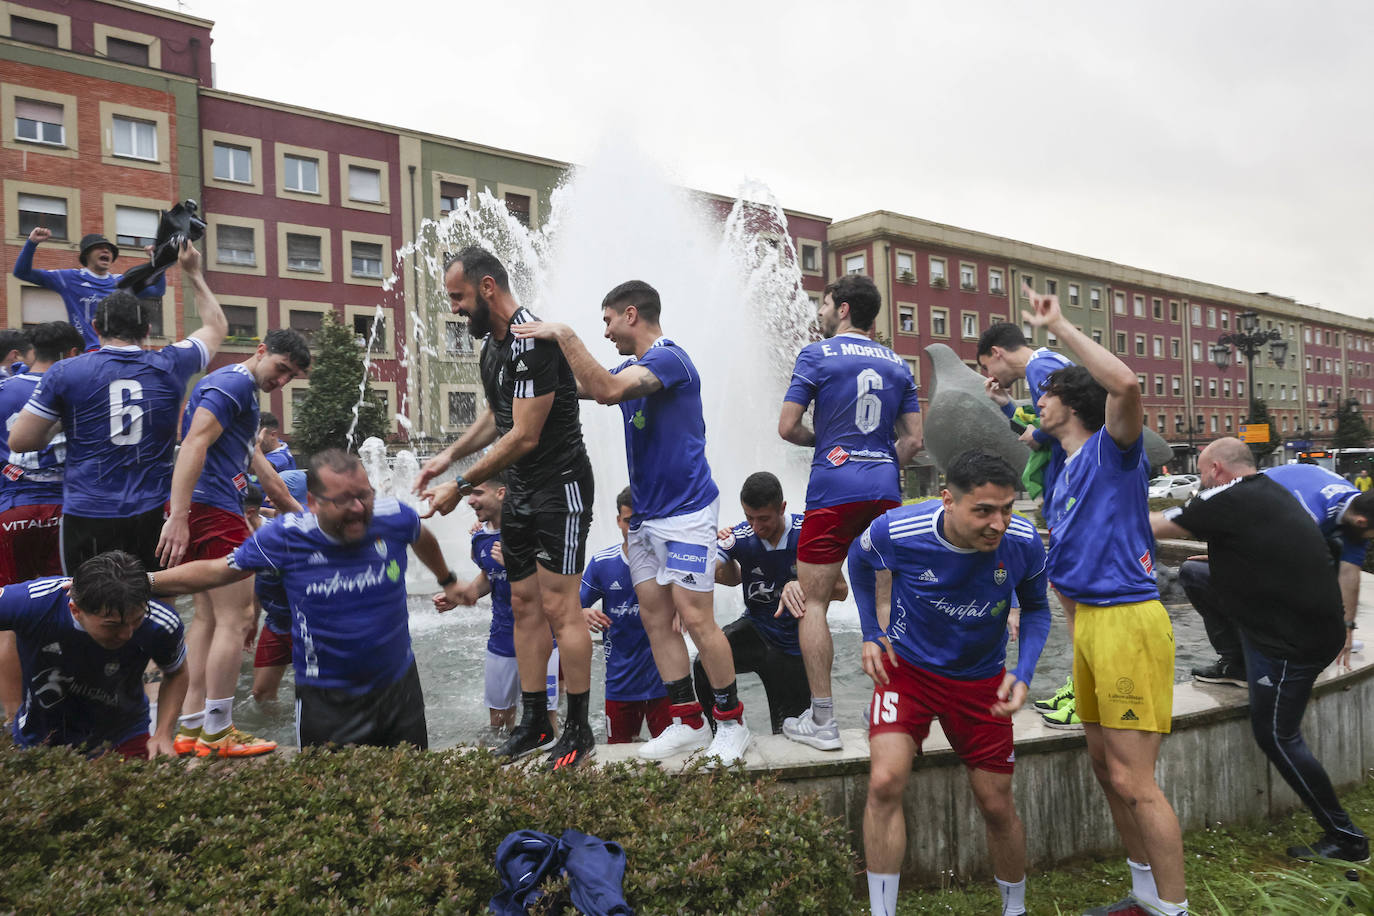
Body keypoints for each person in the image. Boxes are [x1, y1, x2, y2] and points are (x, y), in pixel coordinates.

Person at [513, 279, 752, 766]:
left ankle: (731, 723)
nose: (604, 333)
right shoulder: (632, 366)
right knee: (656, 619)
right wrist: (522, 369)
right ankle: (686, 720)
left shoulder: (670, 359)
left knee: (697, 617)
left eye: (606, 321)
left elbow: (606, 390)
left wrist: (562, 334)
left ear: (631, 314)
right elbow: (579, 385)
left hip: (686, 514)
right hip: (645, 518)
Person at [1029, 283, 1187, 915]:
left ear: (1069, 403)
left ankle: (1174, 910)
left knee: (1133, 778)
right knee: (1103, 767)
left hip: (1128, 623)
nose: (1036, 402)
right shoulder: (1065, 472)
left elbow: (1124, 386)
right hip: (1093, 628)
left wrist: (1059, 325)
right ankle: (1144, 897)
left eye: (1046, 394)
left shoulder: (1112, 453)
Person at [150, 449, 467, 750]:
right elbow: (218, 571)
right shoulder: (287, 536)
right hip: (326, 700)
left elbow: (420, 535)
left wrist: (447, 580)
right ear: (313, 502)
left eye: (364, 495)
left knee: (413, 791)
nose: (358, 508)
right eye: (343, 500)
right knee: (331, 799)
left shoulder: (394, 516)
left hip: (400, 690)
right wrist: (146, 581)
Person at [414, 247, 596, 770]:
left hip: (559, 488)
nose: (453, 307)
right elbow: (498, 419)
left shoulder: (530, 341)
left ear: (487, 287)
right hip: (519, 492)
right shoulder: (493, 347)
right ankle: (536, 722)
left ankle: (578, 728)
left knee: (562, 608)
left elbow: (526, 433)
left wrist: (460, 482)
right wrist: (447, 456)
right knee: (522, 604)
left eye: (457, 296)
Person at [850, 450, 1050, 916]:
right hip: (908, 672)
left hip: (981, 681)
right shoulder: (896, 530)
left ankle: (1014, 909)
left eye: (1007, 508)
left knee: (996, 804)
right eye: (983, 510)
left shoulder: (1022, 541)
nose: (998, 523)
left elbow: (1037, 608)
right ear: (948, 501)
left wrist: (1023, 672)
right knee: (884, 781)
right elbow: (858, 563)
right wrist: (870, 633)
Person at [1151, 437, 1369, 864]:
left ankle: (1347, 839)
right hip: (1293, 618)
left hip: (1293, 642)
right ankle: (1235, 662)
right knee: (1195, 573)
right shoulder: (1265, 489)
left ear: (1216, 470)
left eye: (1200, 472)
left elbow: (1153, 525)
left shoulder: (1227, 499)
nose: (1198, 482)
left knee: (1275, 734)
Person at [8, 241, 228, 574]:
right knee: (153, 605)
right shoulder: (172, 363)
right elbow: (216, 327)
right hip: (152, 511)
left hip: (88, 512)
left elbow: (21, 441)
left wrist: (65, 421)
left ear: (96, 329)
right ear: (148, 330)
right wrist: (193, 273)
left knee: (87, 606)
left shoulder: (67, 371)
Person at [776, 274, 923, 751]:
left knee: (815, 603)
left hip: (832, 491)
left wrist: (835, 447)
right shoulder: (900, 364)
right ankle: (886, 706)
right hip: (884, 491)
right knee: (886, 604)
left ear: (841, 309)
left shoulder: (816, 355)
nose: (818, 312)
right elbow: (914, 440)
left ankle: (823, 722)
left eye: (823, 304)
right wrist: (876, 458)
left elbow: (787, 427)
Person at [157, 329, 311, 758]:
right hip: (213, 510)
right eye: (280, 369)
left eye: (290, 377)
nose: (281, 382)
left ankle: (192, 727)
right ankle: (219, 731)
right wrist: (180, 516)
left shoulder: (238, 394)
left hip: (207, 508)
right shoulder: (234, 384)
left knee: (207, 618)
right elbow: (193, 443)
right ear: (260, 350)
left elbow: (269, 481)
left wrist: (308, 522)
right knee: (239, 617)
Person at [1179, 461, 1374, 686]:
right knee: (1196, 574)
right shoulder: (1308, 513)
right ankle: (1236, 662)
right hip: (1259, 517)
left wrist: (1347, 628)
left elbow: (1349, 574)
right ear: (1362, 522)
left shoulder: (1359, 507)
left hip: (1272, 531)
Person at [977, 320, 1081, 728]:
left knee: (1076, 603)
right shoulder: (1045, 369)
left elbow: (1051, 430)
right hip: (1063, 494)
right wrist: (1006, 405)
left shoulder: (1041, 369)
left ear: (997, 353)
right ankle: (1080, 685)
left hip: (1069, 494)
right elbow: (1038, 429)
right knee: (1073, 599)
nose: (989, 375)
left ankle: (1085, 692)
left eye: (987, 366)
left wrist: (1037, 434)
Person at [0, 550, 187, 759]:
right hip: (38, 737)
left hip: (122, 736)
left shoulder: (160, 624)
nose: (127, 633)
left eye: (136, 620)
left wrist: (162, 732)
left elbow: (177, 673)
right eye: (113, 625)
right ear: (75, 610)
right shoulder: (35, 602)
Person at [702, 471, 846, 735]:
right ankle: (722, 732)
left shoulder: (810, 533)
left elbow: (841, 590)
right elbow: (718, 572)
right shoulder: (741, 536)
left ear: (782, 508)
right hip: (757, 632)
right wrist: (709, 548)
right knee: (705, 662)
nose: (756, 526)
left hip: (795, 647)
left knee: (786, 734)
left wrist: (804, 585)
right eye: (749, 517)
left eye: (764, 519)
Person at [0, 321, 85, 721]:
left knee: (10, 619)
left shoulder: (5, 389)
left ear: (32, 350)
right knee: (69, 607)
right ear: (72, 353)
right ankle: (67, 710)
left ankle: (15, 720)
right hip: (62, 510)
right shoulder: (77, 389)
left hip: (12, 510)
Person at [433, 473, 561, 736]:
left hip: (541, 640)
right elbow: (488, 577)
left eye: (477, 493)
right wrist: (463, 595)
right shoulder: (479, 540)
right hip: (501, 639)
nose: (469, 501)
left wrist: (518, 566)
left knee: (545, 720)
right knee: (499, 723)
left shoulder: (535, 532)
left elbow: (558, 586)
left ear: (501, 493)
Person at [581, 487, 670, 744]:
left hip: (663, 682)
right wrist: (582, 612)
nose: (634, 528)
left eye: (640, 521)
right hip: (620, 684)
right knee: (618, 758)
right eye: (629, 521)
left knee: (675, 759)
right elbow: (569, 610)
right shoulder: (602, 563)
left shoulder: (667, 559)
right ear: (619, 520)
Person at [12, 228, 166, 351]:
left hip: (119, 352)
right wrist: (31, 243)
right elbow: (21, 272)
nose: (106, 251)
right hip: (87, 352)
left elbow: (157, 291)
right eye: (100, 248)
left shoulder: (122, 281)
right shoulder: (69, 278)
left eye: (109, 250)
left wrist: (160, 262)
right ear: (86, 254)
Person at [251, 470, 306, 703]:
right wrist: (252, 619)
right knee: (260, 694)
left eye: (273, 494)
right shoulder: (267, 533)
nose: (267, 499)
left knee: (313, 692)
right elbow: (256, 576)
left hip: (308, 625)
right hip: (276, 623)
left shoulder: (311, 530)